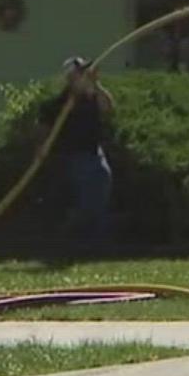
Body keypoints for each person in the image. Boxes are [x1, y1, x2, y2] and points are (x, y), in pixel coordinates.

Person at [40, 57, 115, 243]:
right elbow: (43, 128)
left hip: (94, 154)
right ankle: (75, 236)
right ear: (72, 78)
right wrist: (41, 149)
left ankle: (93, 240)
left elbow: (108, 107)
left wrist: (96, 84)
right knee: (89, 198)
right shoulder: (59, 104)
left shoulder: (91, 99)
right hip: (73, 157)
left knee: (100, 191)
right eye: (81, 73)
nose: (86, 76)